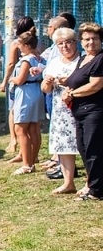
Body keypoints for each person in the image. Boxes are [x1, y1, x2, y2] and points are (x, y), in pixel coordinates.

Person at [62, 22, 103, 202]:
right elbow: (76, 80)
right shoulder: (83, 58)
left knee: (94, 150)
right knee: (83, 148)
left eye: (94, 39)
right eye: (86, 39)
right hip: (80, 112)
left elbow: (95, 85)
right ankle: (91, 183)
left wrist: (72, 93)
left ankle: (96, 191)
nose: (90, 42)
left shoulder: (100, 58)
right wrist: (66, 88)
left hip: (95, 111)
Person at [42, 27, 82, 194]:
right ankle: (68, 182)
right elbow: (45, 89)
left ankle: (90, 183)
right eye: (60, 43)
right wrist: (48, 82)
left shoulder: (82, 60)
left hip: (79, 108)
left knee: (84, 145)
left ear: (75, 43)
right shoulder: (55, 62)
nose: (65, 46)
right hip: (60, 110)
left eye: (68, 42)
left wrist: (69, 82)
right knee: (63, 146)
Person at [8, 32, 46, 173]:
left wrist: (12, 79)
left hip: (25, 93)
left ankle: (26, 164)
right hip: (36, 90)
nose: (18, 46)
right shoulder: (39, 58)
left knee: (20, 129)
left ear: (27, 46)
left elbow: (20, 79)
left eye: (20, 44)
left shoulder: (27, 60)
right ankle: (32, 158)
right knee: (33, 128)